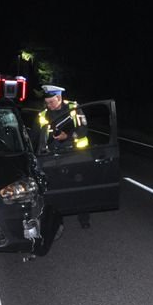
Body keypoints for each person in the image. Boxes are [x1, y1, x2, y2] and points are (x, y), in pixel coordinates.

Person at [37, 85, 93, 228]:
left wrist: (67, 136)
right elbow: (41, 136)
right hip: (54, 155)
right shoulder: (44, 114)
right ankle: (56, 221)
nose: (48, 105)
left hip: (75, 153)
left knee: (80, 187)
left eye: (51, 102)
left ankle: (84, 218)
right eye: (47, 102)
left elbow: (83, 130)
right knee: (55, 189)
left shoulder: (74, 108)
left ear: (59, 98)